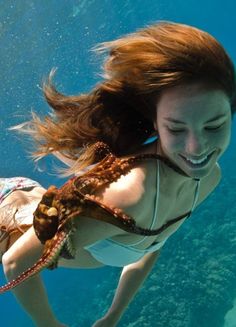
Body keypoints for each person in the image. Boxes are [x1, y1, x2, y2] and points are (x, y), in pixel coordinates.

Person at [2, 21, 235, 327]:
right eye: (176, 128)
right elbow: (16, 261)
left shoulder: (207, 179)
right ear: (154, 123)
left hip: (27, 195)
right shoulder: (127, 196)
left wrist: (113, 315)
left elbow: (155, 242)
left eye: (215, 125)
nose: (198, 147)